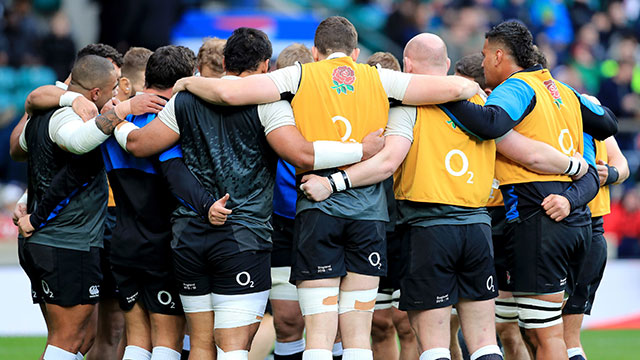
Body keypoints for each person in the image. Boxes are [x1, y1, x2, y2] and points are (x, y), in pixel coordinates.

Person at [169, 16, 479, 360]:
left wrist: (185, 82)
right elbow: (454, 88)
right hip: (367, 216)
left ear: (315, 52)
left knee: (318, 334)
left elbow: (228, 92)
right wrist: (472, 89)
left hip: (318, 211)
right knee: (357, 335)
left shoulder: (298, 75)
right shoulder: (379, 78)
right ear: (356, 52)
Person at [113, 27, 385, 360]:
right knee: (233, 346)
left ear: (225, 61)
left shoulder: (185, 100)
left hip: (189, 237)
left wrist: (115, 117)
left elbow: (140, 144)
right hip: (244, 236)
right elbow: (301, 154)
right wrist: (361, 149)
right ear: (266, 65)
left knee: (199, 343)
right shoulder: (268, 102)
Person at [436, 21, 618, 359]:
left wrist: (443, 95)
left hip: (539, 217)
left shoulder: (515, 85)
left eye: (486, 54)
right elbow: (608, 124)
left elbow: (491, 123)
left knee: (544, 335)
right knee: (538, 333)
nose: (484, 61)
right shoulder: (562, 91)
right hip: (573, 219)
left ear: (500, 55)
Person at [15, 54, 162, 360]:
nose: (115, 95)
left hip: (55, 240)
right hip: (64, 241)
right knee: (67, 340)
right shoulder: (67, 118)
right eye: (111, 90)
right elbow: (78, 145)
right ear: (96, 93)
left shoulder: (41, 115)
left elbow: (40, 161)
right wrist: (124, 109)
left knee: (83, 339)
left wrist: (24, 201)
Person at [101, 45, 199, 360]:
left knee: (137, 341)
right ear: (187, 79)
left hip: (124, 242)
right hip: (162, 245)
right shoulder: (171, 123)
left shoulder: (116, 118)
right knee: (167, 341)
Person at [454, 52, 531, 360]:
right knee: (452, 323)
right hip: (464, 218)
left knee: (510, 329)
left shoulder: (501, 119)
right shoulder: (452, 118)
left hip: (501, 225)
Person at [365, 51, 418, 360]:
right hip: (370, 225)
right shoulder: (359, 118)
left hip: (407, 226)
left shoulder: (413, 114)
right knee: (378, 323)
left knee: (407, 322)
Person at [561, 134, 629, 360]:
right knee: (545, 334)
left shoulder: (592, 115)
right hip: (557, 230)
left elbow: (622, 165)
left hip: (589, 230)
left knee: (563, 337)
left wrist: (611, 173)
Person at [269, 43, 313, 360]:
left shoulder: (330, 109)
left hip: (323, 220)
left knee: (333, 322)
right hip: (279, 226)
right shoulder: (264, 109)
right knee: (287, 322)